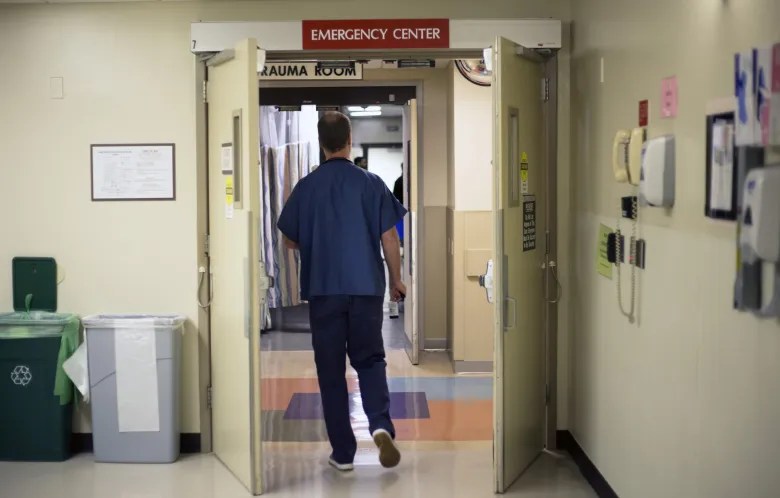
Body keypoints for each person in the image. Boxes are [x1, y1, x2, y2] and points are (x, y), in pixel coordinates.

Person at [277, 111, 406, 472]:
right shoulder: (372, 183)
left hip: (324, 290)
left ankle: (343, 454)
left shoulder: (306, 187)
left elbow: (288, 238)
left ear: (321, 144)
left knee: (331, 372)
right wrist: (396, 280)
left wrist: (318, 240)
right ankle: (380, 424)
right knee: (370, 360)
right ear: (349, 139)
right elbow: (390, 236)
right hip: (365, 289)